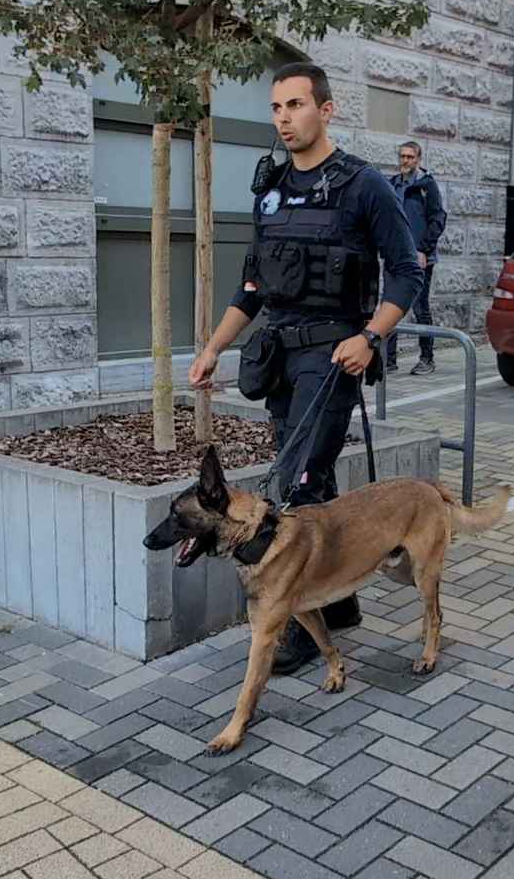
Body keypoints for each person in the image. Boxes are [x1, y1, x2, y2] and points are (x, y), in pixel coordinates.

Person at [189, 62, 420, 676]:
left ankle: (295, 624)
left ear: (326, 108)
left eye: (295, 105)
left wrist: (370, 336)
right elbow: (252, 286)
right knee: (309, 480)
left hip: (333, 357)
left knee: (295, 485)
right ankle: (337, 601)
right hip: (280, 357)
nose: (284, 119)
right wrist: (213, 348)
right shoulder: (269, 189)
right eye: (276, 108)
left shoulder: (365, 186)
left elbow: (406, 274)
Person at [385, 140, 446, 375]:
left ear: (419, 159)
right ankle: (389, 360)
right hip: (395, 256)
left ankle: (427, 359)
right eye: (402, 156)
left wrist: (423, 250)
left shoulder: (427, 186)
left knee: (420, 308)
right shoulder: (392, 184)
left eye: (410, 157)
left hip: (419, 257)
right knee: (389, 305)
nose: (405, 161)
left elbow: (437, 219)